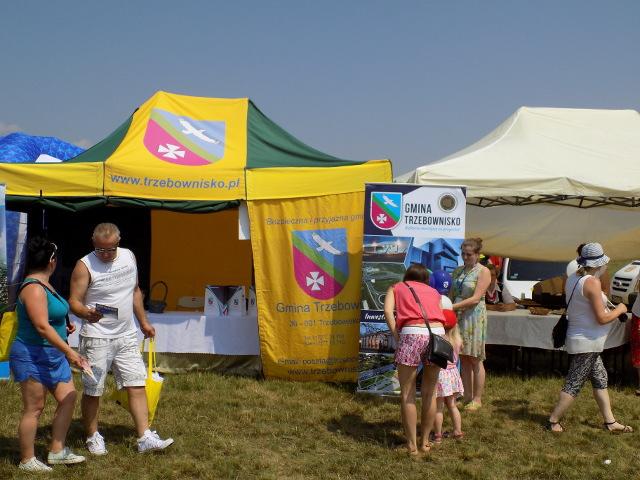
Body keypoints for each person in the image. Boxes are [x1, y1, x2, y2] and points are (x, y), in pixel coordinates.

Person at [69, 223, 174, 454]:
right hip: (96, 337)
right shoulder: (84, 265)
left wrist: (143, 322)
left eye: (110, 249)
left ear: (119, 242)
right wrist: (85, 312)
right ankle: (93, 436)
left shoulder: (129, 256)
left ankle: (144, 436)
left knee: (136, 383)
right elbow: (74, 301)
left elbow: (135, 291)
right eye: (100, 249)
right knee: (93, 389)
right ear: (93, 242)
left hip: (126, 334)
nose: (105, 254)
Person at [9, 237, 87, 472]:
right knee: (35, 407)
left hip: (53, 354)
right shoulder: (33, 288)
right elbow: (42, 326)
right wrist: (70, 352)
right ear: (52, 261)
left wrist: (64, 325)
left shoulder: (46, 284)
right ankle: (27, 460)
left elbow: (50, 317)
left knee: (68, 397)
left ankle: (57, 450)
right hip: (32, 355)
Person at [547, 242, 632, 433]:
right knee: (574, 383)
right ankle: (553, 420)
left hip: (584, 339)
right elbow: (602, 318)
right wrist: (620, 309)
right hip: (586, 342)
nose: (606, 266)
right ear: (598, 264)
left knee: (600, 378)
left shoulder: (573, 278)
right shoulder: (592, 282)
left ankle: (610, 422)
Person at [384, 263, 446, 456]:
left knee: (407, 393)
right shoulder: (434, 292)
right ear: (426, 279)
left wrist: (397, 335)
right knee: (430, 392)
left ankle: (411, 445)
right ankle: (425, 442)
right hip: (437, 335)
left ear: (407, 276)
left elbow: (388, 311)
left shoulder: (396, 287)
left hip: (411, 332)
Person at [450, 238, 491, 411]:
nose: (465, 257)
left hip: (473, 317)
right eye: (463, 254)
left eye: (469, 254)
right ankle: (467, 395)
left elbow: (475, 298)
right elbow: (451, 293)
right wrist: (448, 307)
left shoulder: (483, 271)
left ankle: (477, 398)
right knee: (464, 358)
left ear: (477, 254)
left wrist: (452, 306)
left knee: (475, 358)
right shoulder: (457, 270)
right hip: (458, 316)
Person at [433, 324, 464, 443]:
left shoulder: (440, 340)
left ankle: (437, 435)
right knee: (452, 405)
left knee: (438, 408)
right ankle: (458, 431)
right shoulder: (458, 340)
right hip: (453, 374)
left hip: (441, 374)